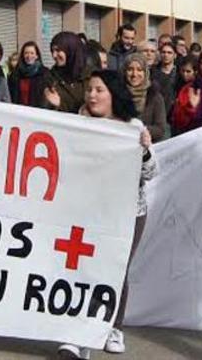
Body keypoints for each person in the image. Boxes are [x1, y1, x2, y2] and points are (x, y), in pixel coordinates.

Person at [57, 69, 157, 359]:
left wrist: (146, 150)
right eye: (89, 89)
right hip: (87, 210)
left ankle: (114, 327)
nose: (92, 95)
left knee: (116, 270)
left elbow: (151, 172)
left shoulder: (133, 127)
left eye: (99, 90)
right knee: (81, 269)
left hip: (127, 213)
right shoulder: (78, 124)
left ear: (113, 94)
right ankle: (78, 335)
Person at [123, 54, 167, 142]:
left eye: (139, 70)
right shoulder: (116, 93)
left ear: (145, 72)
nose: (134, 74)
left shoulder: (155, 96)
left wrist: (137, 129)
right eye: (130, 69)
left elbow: (160, 129)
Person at [44, 31, 87, 113]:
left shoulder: (91, 76)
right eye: (52, 51)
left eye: (58, 50)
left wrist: (62, 104)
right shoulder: (51, 77)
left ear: (70, 49)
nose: (54, 55)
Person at [8, 41, 51, 108]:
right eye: (26, 53)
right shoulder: (15, 74)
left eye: (32, 53)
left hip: (37, 113)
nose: (29, 56)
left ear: (37, 56)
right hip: (19, 112)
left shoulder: (44, 73)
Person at [151, 42, 180, 118]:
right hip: (157, 113)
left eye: (169, 53)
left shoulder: (180, 73)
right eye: (163, 52)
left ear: (175, 55)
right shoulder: (152, 72)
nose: (166, 55)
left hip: (174, 114)